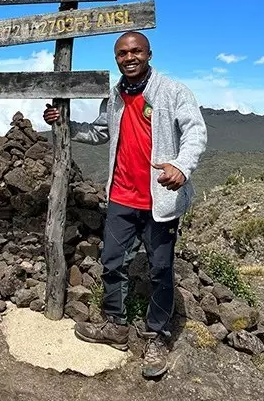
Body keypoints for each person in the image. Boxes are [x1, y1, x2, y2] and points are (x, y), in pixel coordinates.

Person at [43, 31, 207, 379]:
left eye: (136, 51)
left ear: (149, 53)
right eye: (122, 53)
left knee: (160, 269)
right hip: (121, 197)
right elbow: (101, 132)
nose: (129, 57)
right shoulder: (115, 96)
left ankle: (157, 336)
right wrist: (64, 123)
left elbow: (195, 132)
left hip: (160, 200)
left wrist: (181, 166)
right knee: (112, 262)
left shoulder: (173, 91)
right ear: (116, 58)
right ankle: (115, 325)